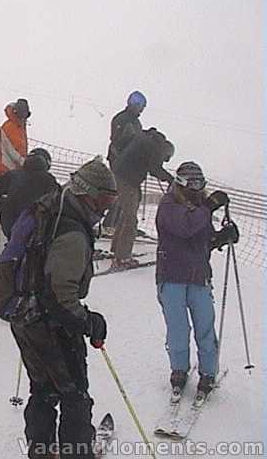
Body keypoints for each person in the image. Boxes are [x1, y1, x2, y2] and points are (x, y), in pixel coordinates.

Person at [0, 158, 116, 458]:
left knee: (43, 388)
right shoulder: (72, 231)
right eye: (104, 199)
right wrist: (88, 322)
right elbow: (59, 295)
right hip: (48, 323)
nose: (105, 208)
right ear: (86, 193)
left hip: (22, 313)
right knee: (73, 393)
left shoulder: (49, 206)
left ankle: (42, 451)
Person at [155, 161, 238, 397]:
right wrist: (209, 207)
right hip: (171, 277)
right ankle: (179, 369)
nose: (196, 189)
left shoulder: (201, 207)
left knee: (204, 326)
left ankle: (208, 371)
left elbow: (203, 240)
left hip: (198, 276)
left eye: (200, 184)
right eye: (191, 184)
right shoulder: (169, 205)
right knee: (178, 328)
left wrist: (222, 237)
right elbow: (185, 227)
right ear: (180, 184)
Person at [110, 127, 174, 269]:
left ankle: (117, 249)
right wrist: (170, 179)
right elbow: (155, 169)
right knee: (130, 219)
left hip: (120, 175)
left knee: (126, 215)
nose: (163, 160)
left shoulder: (146, 138)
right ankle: (122, 258)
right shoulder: (155, 147)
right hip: (128, 180)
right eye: (165, 159)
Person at [0, 98, 31, 265]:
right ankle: (0, 250)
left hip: (15, 174)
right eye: (22, 116)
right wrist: (29, 165)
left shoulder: (20, 127)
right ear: (17, 114)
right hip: (5, 173)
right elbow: (14, 153)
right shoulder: (9, 127)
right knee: (8, 213)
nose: (24, 119)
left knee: (6, 213)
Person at [0, 147, 59, 239]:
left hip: (10, 225)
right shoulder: (49, 180)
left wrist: (4, 204)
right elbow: (57, 202)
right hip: (36, 229)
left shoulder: (14, 175)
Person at [103, 91, 146, 231]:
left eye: (141, 106)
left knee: (130, 194)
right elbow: (117, 140)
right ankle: (111, 223)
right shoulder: (122, 119)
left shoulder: (135, 121)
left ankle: (121, 223)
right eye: (139, 105)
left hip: (129, 163)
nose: (140, 108)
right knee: (121, 192)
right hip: (119, 161)